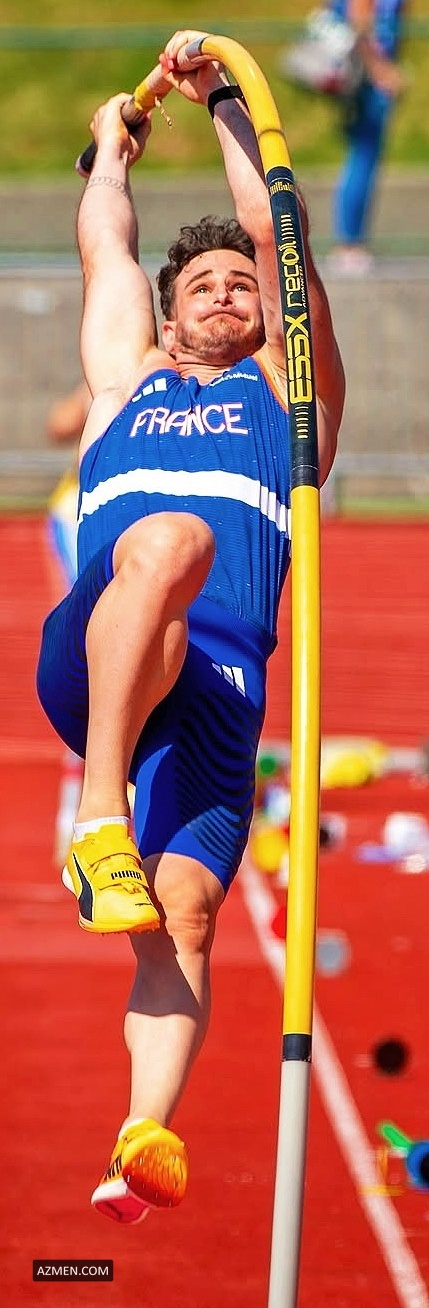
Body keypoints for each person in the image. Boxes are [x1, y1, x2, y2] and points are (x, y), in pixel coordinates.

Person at [36, 28, 345, 1226]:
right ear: (167, 321)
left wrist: (226, 102)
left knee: (188, 917)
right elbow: (106, 248)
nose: (226, 290)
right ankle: (96, 818)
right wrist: (113, 153)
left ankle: (141, 1135)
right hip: (103, 649)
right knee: (171, 543)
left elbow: (276, 236)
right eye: (202, 284)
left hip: (219, 683)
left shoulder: (291, 404)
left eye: (241, 286)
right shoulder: (128, 380)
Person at [328, 0, 406, 274]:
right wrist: (381, 70)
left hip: (364, 75)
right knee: (362, 157)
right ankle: (349, 242)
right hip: (366, 79)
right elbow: (359, 20)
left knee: (363, 156)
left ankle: (352, 240)